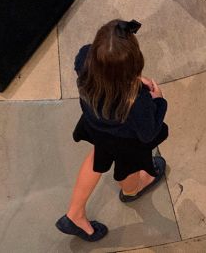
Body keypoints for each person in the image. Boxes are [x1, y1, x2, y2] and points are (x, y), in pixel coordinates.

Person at [57, 19, 168, 242]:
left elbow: (108, 76)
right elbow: (148, 132)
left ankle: (74, 214)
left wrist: (133, 81)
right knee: (129, 168)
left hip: (96, 126)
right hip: (124, 142)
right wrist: (159, 102)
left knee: (97, 157)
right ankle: (132, 191)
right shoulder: (137, 102)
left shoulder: (84, 58)